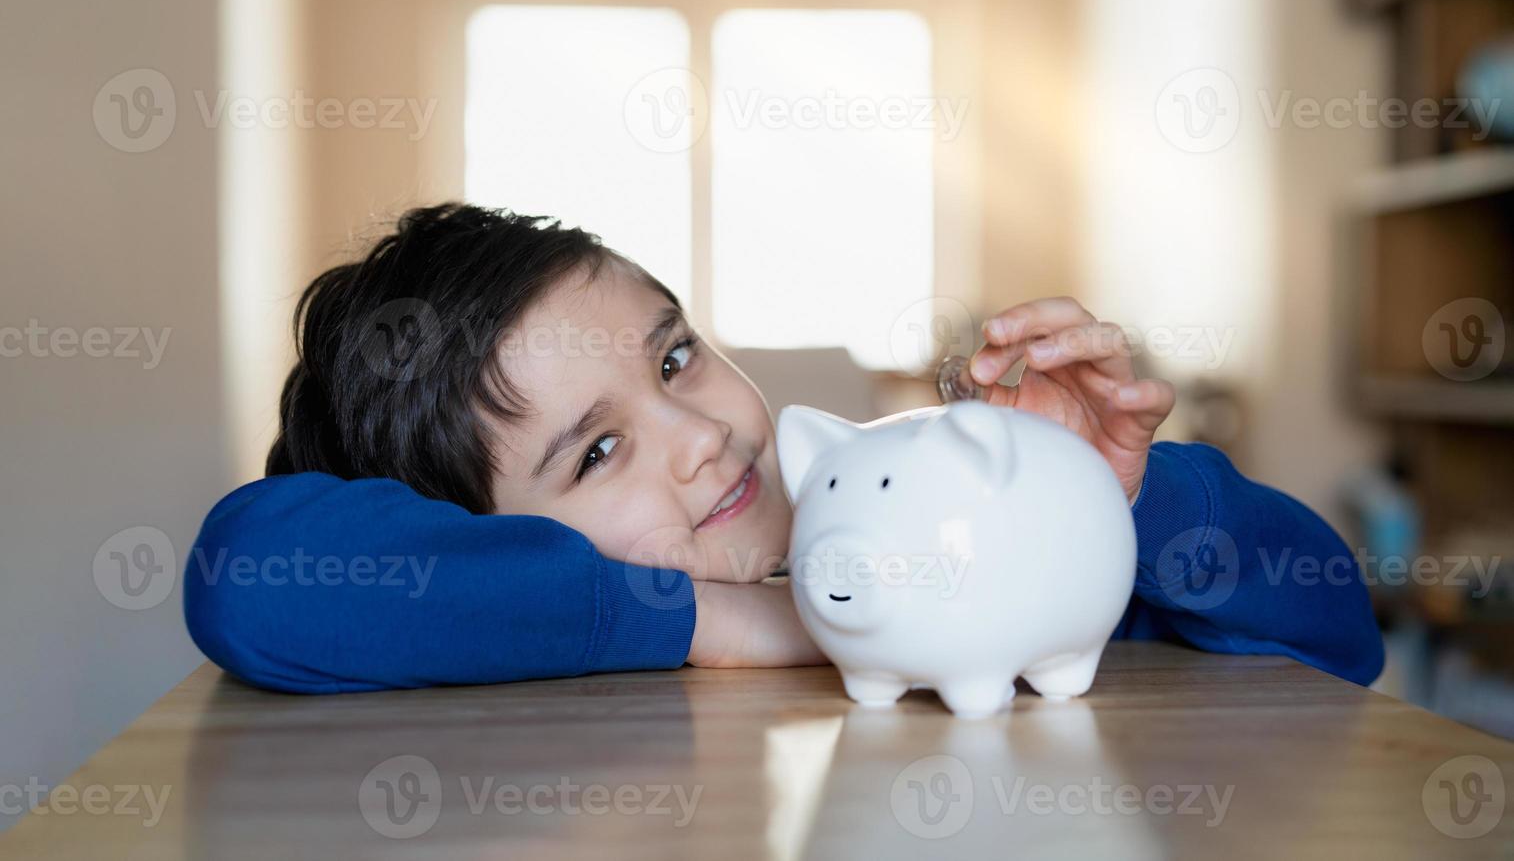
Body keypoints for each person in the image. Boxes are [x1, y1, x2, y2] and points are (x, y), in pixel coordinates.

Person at [184, 204, 1384, 693]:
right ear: (467, 539)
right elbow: (250, 576)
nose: (704, 437)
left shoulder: (934, 515)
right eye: (596, 453)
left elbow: (1345, 631)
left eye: (671, 360)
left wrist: (1106, 505)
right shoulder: (514, 637)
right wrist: (740, 622)